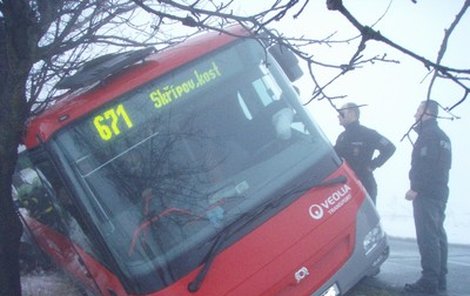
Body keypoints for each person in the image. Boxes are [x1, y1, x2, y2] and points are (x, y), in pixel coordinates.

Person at [404, 100, 452, 294]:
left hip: (427, 193)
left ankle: (429, 281)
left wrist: (416, 188)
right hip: (440, 192)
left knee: (428, 237)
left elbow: (426, 164)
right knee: (438, 235)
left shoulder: (428, 135)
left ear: (427, 112)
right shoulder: (443, 137)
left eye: (418, 110)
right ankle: (440, 279)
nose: (415, 115)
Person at [334, 102, 396, 204]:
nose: (338, 116)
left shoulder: (367, 133)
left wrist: (373, 165)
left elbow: (390, 148)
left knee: (368, 219)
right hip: (346, 188)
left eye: (341, 112)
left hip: (365, 185)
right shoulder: (342, 137)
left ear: (352, 113)